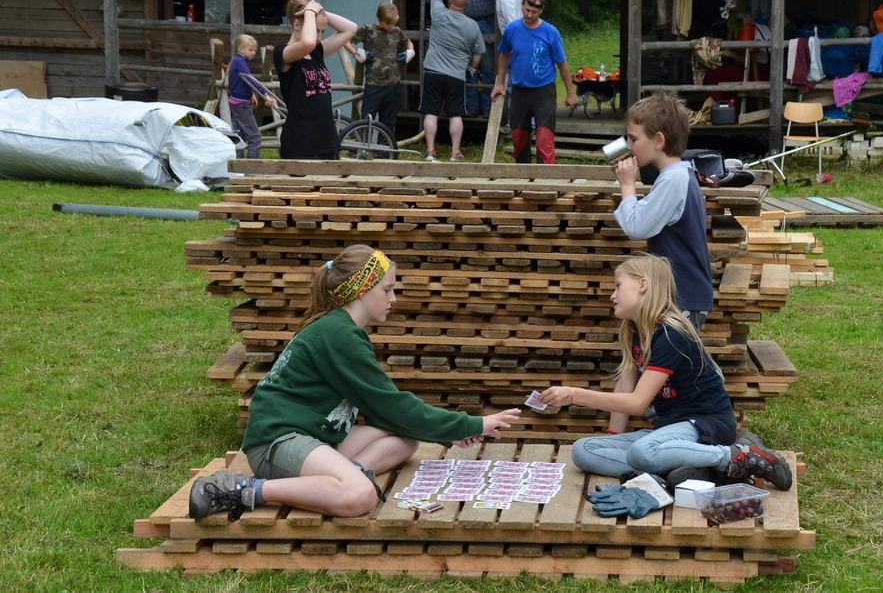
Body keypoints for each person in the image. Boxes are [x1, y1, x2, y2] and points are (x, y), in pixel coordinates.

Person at [188, 245, 522, 521]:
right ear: (362, 290)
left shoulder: (342, 329)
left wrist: (450, 429)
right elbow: (389, 404)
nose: (394, 298)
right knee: (360, 497)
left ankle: (334, 479)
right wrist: (472, 422)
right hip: (279, 443)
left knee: (405, 439)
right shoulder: (338, 336)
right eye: (387, 289)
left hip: (311, 435)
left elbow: (388, 412)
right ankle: (242, 489)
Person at [538, 255, 792, 491]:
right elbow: (626, 386)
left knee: (641, 453)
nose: (612, 295)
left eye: (617, 286)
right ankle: (678, 469)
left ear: (643, 285)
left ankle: (736, 457)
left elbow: (637, 403)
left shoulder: (671, 334)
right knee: (584, 450)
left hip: (704, 424)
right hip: (669, 429)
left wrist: (573, 395)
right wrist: (615, 438)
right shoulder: (634, 330)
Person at [611, 94, 714, 329]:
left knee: (671, 363)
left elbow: (637, 228)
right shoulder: (676, 175)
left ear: (658, 141)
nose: (628, 146)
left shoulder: (674, 179)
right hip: (680, 295)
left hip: (682, 298)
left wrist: (628, 185)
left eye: (633, 139)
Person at [491, 0, 577, 164]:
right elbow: (503, 55)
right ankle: (523, 181)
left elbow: (562, 64)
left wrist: (570, 92)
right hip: (519, 91)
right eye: (527, 10)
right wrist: (500, 83)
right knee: (519, 139)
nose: (529, 14)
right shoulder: (512, 29)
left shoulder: (550, 32)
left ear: (541, 10)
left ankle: (547, 182)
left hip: (543, 92)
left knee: (544, 141)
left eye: (534, 12)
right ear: (522, 5)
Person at [274, 0, 357, 160]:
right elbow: (308, 43)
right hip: (301, 143)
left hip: (327, 140)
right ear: (297, 24)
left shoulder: (317, 52)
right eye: (316, 30)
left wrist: (316, 7)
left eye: (322, 31)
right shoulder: (283, 53)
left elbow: (351, 28)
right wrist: (310, 11)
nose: (319, 36)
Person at [420, 0, 485, 162]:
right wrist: (472, 69)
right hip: (456, 75)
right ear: (466, 6)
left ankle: (430, 150)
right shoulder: (473, 26)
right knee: (456, 114)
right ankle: (455, 152)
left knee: (431, 111)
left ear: (450, 1)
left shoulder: (438, 13)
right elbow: (478, 53)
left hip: (432, 71)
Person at [436, 0, 495, 117]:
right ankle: (470, 107)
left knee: (487, 67)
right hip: (464, 22)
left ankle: (488, 108)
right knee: (466, 65)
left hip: (484, 23)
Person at [343, 2, 415, 139]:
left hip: (393, 83)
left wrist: (410, 52)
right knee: (367, 119)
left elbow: (409, 43)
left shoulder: (397, 32)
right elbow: (346, 41)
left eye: (393, 23)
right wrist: (357, 53)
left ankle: (384, 152)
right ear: (380, 19)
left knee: (388, 121)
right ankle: (364, 149)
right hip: (374, 84)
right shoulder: (368, 30)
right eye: (388, 23)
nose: (391, 26)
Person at [485, 0, 522, 133]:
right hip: (515, 42)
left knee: (513, 85)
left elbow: (512, 24)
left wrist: (512, 48)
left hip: (515, 44)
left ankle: (513, 124)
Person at [227, 34, 275, 160]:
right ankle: (252, 169)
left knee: (238, 136)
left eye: (255, 50)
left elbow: (240, 81)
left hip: (236, 102)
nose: (254, 53)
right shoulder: (240, 62)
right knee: (255, 137)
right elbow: (251, 80)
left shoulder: (236, 61)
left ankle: (238, 167)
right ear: (241, 49)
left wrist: (251, 93)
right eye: (251, 50)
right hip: (242, 104)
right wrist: (265, 95)